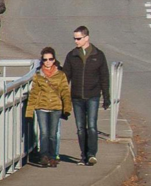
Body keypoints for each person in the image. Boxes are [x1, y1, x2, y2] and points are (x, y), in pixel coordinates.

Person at [63, 26, 110, 167]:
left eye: (78, 38)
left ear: (86, 38)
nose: (76, 41)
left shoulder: (98, 55)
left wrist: (106, 96)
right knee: (80, 128)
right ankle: (83, 156)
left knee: (92, 126)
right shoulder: (72, 55)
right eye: (75, 38)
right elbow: (65, 78)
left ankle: (91, 155)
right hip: (76, 97)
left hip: (93, 96)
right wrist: (63, 98)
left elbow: (104, 77)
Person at [26, 47, 71, 168]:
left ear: (54, 60)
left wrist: (67, 108)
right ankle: (44, 156)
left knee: (53, 134)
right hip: (41, 107)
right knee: (44, 133)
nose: (48, 61)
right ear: (42, 60)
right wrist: (29, 112)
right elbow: (34, 93)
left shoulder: (60, 75)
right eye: (45, 59)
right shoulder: (38, 75)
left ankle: (53, 156)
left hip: (56, 107)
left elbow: (65, 92)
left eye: (50, 59)